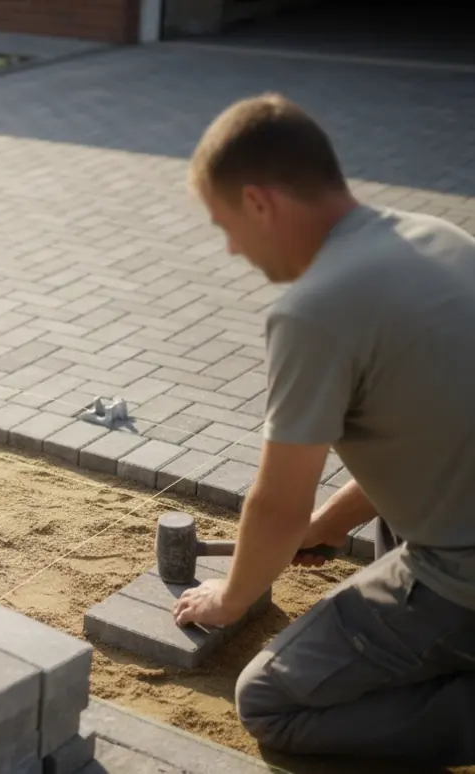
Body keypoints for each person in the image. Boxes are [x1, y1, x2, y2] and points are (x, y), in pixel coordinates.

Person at [169, 92, 475, 767]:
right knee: (381, 528)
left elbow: (277, 506)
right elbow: (436, 432)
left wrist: (232, 596)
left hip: (464, 578)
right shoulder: (439, 238)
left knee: (271, 702)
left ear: (258, 203)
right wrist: (333, 522)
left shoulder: (314, 311)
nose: (229, 247)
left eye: (225, 225)